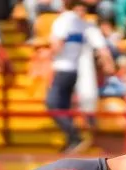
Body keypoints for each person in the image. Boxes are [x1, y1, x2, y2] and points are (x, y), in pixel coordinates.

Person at [47, 0, 109, 152]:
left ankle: (74, 136)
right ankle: (71, 140)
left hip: (63, 67)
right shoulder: (83, 24)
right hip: (75, 69)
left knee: (53, 105)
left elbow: (58, 43)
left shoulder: (63, 20)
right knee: (65, 107)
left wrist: (48, 55)